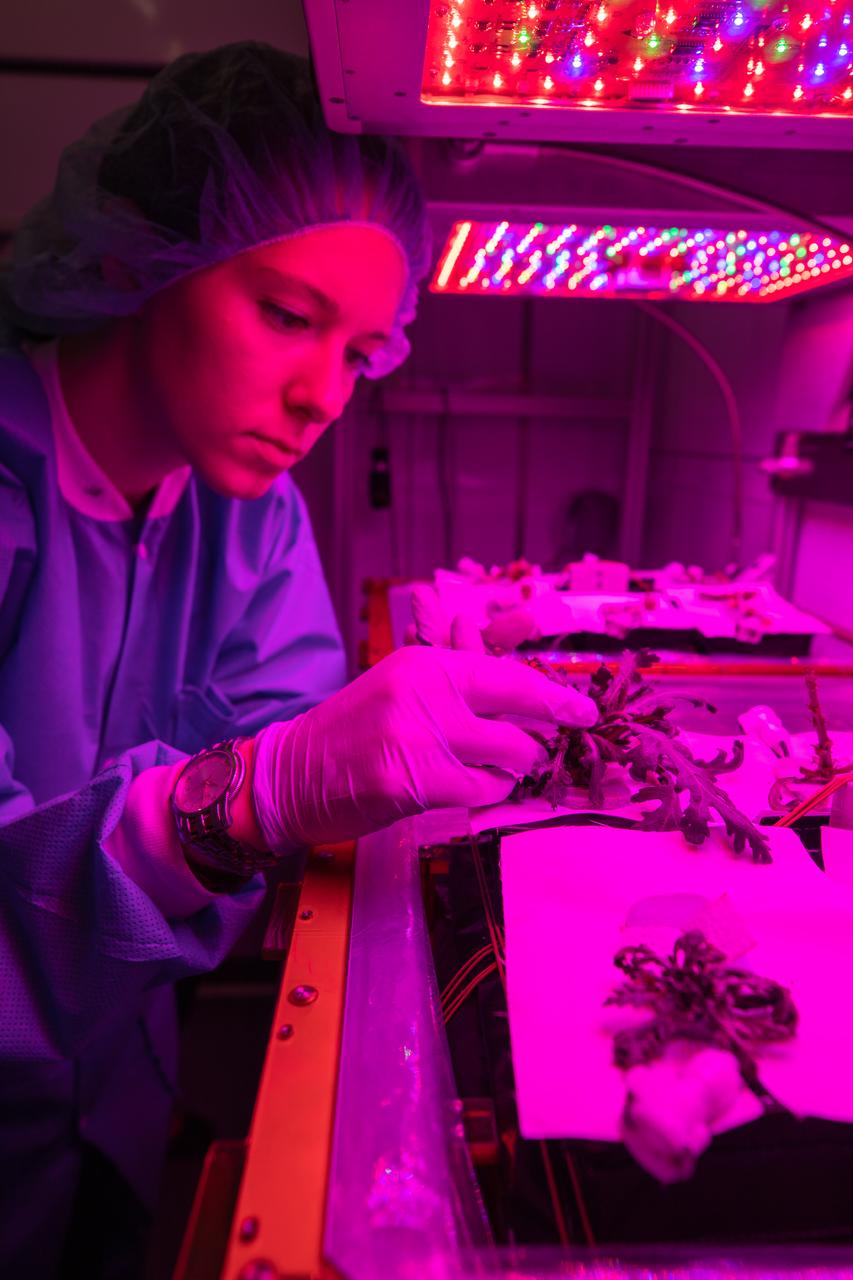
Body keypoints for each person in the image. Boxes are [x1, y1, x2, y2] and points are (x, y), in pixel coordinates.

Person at [0, 41, 597, 1275]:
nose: (322, 395)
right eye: (285, 315)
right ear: (131, 255)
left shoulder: (245, 508)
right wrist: (252, 792)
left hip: (110, 1115)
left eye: (361, 354)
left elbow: (294, 725)